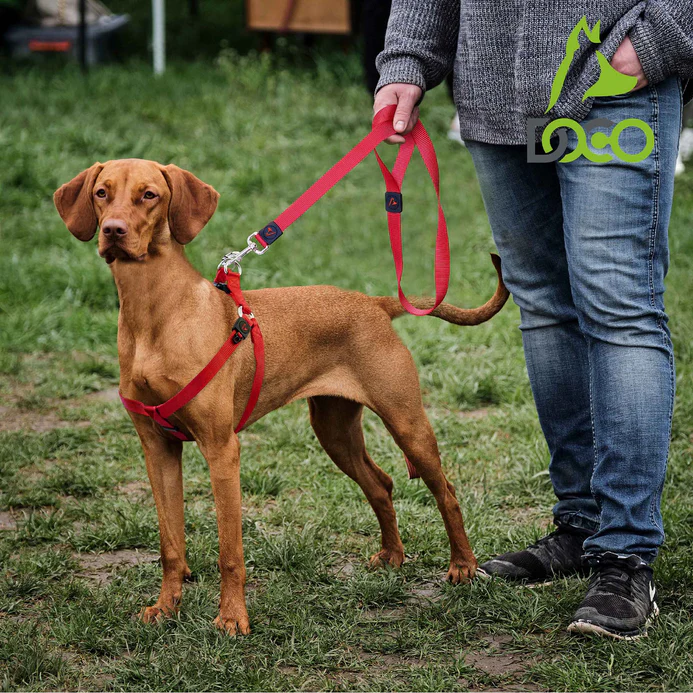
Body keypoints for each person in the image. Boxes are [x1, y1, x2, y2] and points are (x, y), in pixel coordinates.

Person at [373, 0, 693, 640]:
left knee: (618, 306)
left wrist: (659, 36)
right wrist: (408, 57)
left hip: (611, 83)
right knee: (545, 304)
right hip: (498, 95)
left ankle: (626, 552)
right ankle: (581, 523)